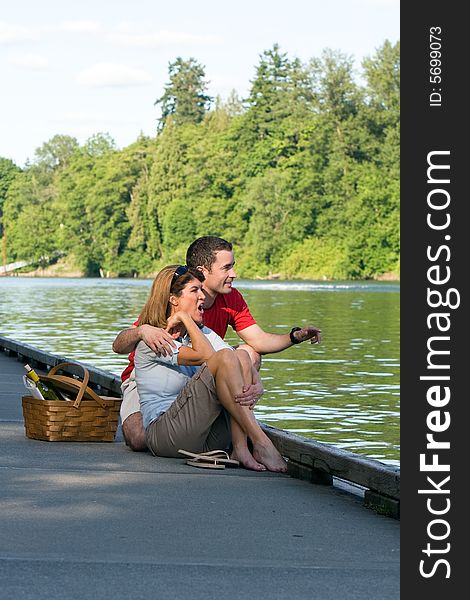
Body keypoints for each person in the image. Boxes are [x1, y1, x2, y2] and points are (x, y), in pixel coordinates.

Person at [113, 236, 321, 451]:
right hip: (151, 379)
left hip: (195, 372)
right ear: (203, 271)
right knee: (139, 439)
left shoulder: (229, 299)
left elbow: (257, 340)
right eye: (226, 268)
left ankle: (242, 445)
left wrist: (294, 337)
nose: (234, 274)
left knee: (249, 353)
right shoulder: (176, 297)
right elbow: (119, 346)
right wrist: (141, 330)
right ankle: (250, 440)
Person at [134, 264, 287, 472]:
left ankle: (240, 448)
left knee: (241, 355)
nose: (202, 297)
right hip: (165, 435)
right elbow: (206, 356)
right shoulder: (155, 339)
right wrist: (185, 318)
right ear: (173, 299)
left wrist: (257, 383)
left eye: (201, 290)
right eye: (194, 291)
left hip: (204, 437)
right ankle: (261, 442)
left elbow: (237, 359)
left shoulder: (202, 332)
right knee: (225, 357)